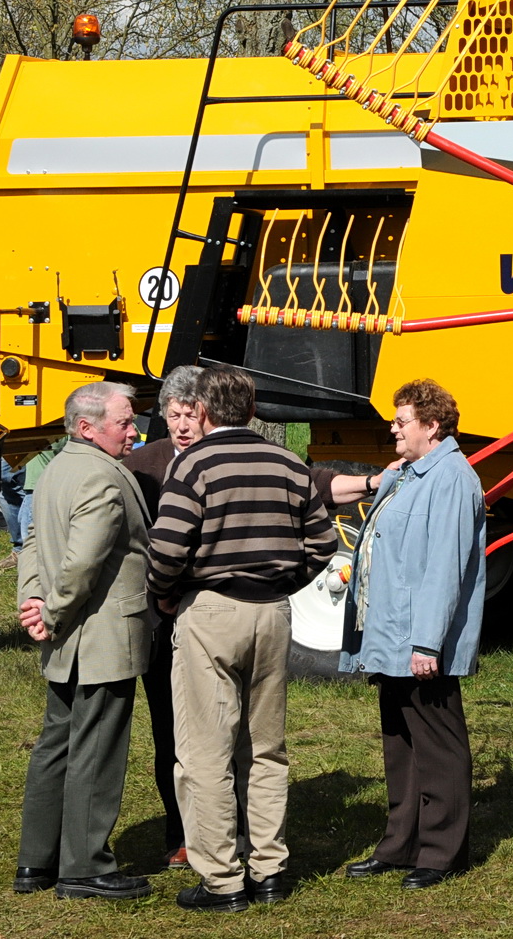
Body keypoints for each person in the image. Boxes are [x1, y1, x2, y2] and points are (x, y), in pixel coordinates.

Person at [147, 366, 337, 912]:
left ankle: (221, 878)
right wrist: (283, 580)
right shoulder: (287, 463)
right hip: (272, 613)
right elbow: (323, 545)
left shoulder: (193, 463)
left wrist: (164, 594)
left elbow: (167, 549)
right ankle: (270, 868)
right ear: (253, 411)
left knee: (205, 752)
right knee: (265, 748)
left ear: (203, 412)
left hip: (210, 610)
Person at [341, 379, 486, 890]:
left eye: (401, 421)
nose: (392, 428)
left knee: (438, 744)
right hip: (392, 634)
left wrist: (428, 642)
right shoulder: (409, 475)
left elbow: (444, 567)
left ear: (432, 425)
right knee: (401, 741)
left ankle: (443, 853)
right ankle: (401, 844)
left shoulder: (451, 478)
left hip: (420, 640)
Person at [12, 381, 155, 901]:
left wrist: (33, 603)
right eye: (124, 421)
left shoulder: (55, 469)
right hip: (100, 635)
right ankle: (86, 868)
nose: (134, 430)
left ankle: (37, 862)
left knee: (57, 743)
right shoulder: (100, 477)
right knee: (95, 748)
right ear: (88, 426)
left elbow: (32, 542)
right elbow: (82, 564)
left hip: (66, 633)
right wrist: (48, 611)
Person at [120, 364, 205, 870]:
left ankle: (223, 827)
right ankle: (179, 832)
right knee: (169, 732)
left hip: (212, 613)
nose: (181, 424)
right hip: (160, 618)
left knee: (217, 730)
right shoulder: (140, 466)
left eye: (191, 414)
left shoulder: (224, 459)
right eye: (173, 414)